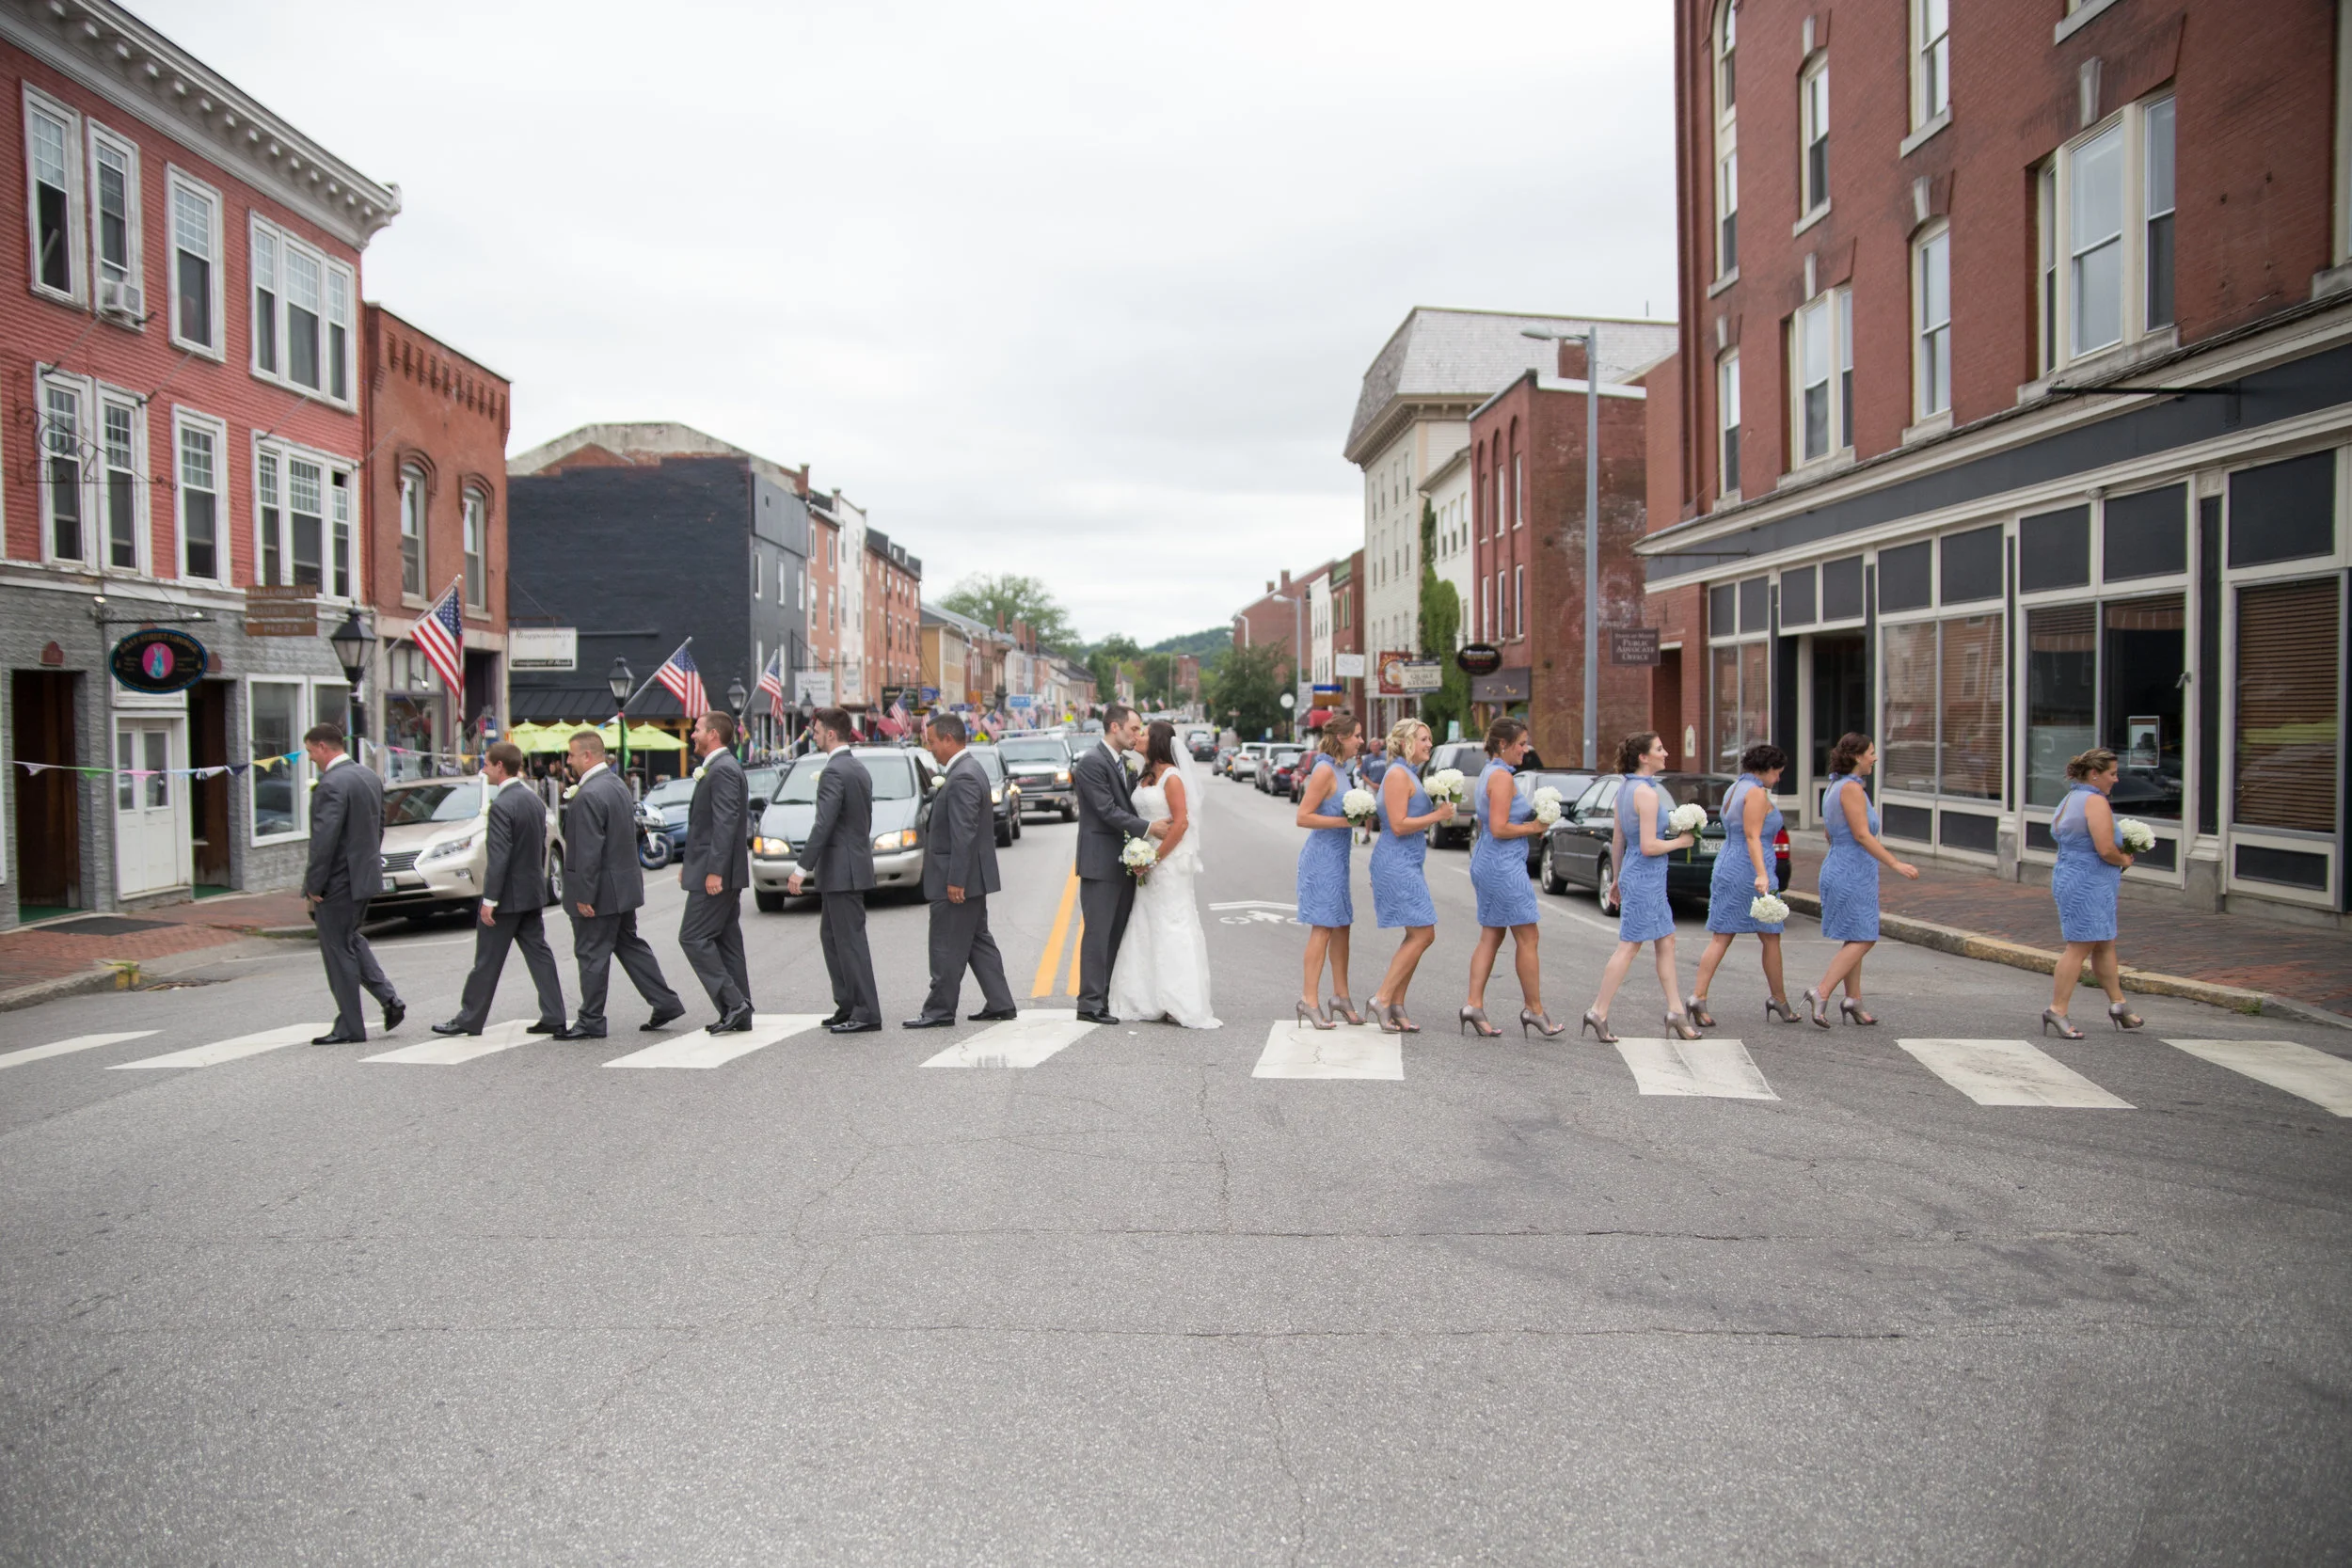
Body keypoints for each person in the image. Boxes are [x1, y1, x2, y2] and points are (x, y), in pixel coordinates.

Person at [554, 729, 686, 1039]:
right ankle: (665, 1001)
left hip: (599, 890)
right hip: (623, 886)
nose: (568, 761)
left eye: (572, 755)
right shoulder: (616, 785)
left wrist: (584, 894)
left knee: (591, 953)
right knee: (629, 946)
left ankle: (591, 1019)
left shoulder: (589, 794)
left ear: (588, 756)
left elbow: (588, 850)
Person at [432, 742, 567, 1038]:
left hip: (507, 897)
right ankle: (555, 1014)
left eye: (486, 764)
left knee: (487, 960)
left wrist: (489, 899)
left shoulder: (502, 805)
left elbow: (499, 856)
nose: (483, 769)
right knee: (539, 954)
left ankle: (470, 1018)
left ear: (499, 767)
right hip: (532, 892)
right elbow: (540, 844)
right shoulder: (533, 800)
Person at [1581, 732, 1701, 1042]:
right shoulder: (1645, 794)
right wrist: (1681, 842)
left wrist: (1618, 879)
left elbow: (1619, 839)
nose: (1666, 753)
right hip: (1646, 875)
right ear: (1644, 757)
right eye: (1659, 749)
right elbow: (1647, 846)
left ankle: (1676, 1011)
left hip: (1641, 875)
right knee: (1630, 945)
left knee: (1666, 940)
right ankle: (1598, 1010)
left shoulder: (1627, 788)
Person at [906, 713, 1018, 1027]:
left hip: (957, 880)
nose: (929, 748)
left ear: (948, 739)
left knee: (945, 944)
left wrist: (955, 880)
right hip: (970, 878)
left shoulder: (964, 775)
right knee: (977, 941)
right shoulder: (966, 770)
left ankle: (939, 1010)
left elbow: (964, 832)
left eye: (931, 742)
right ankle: (1000, 1002)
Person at [1108, 721, 1220, 1028]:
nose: (1138, 736)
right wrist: (1138, 853)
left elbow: (1181, 824)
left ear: (1156, 741)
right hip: (1145, 859)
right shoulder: (1144, 776)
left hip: (1167, 863)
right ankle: (1145, 997)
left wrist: (1155, 858)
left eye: (1143, 733)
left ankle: (1178, 1000)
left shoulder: (1172, 777)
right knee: (1146, 923)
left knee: (1173, 924)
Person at [1804, 733, 1919, 1027]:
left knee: (1855, 934)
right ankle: (1821, 992)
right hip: (1852, 870)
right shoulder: (1852, 789)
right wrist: (1895, 863)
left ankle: (1853, 999)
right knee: (1865, 937)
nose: (1875, 757)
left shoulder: (1834, 785)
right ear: (1857, 757)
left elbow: (1829, 834)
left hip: (1841, 864)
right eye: (1871, 752)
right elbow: (1861, 834)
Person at [300, 722, 405, 1044]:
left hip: (338, 880)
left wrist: (313, 885)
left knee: (337, 950)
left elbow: (324, 840)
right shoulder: (368, 777)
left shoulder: (331, 784)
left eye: (310, 752)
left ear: (322, 747)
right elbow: (380, 827)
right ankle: (389, 999)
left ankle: (350, 1025)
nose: (311, 758)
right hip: (364, 875)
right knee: (350, 940)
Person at [1073, 703, 1168, 1025]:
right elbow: (1107, 810)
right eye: (1133, 729)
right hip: (1099, 862)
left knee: (1116, 933)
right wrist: (1149, 828)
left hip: (1124, 862)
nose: (1137, 735)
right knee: (1097, 934)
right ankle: (1088, 1003)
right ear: (1114, 727)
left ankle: (1105, 996)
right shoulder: (1091, 763)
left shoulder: (1125, 764)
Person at [1463, 718, 1560, 1037]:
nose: (1526, 748)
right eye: (1520, 743)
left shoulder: (1490, 773)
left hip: (1489, 859)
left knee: (1491, 935)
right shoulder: (1502, 778)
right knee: (1528, 937)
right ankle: (1534, 1010)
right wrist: (1535, 827)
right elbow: (1500, 827)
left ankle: (1473, 1005)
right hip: (1503, 863)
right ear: (1503, 745)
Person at [1690, 743, 1799, 1026]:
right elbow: (1753, 836)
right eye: (1777, 773)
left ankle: (1697, 997)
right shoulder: (1756, 794)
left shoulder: (1734, 788)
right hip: (1749, 867)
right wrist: (1762, 874)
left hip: (1728, 862)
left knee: (1721, 936)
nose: (1778, 779)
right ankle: (1779, 999)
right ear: (1766, 769)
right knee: (1770, 935)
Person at [789, 707, 882, 1034]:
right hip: (850, 864)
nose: (813, 736)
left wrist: (802, 868)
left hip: (842, 869)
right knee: (832, 938)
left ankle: (866, 1011)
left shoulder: (834, 771)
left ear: (831, 734)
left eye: (816, 731)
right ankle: (846, 1004)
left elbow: (824, 823)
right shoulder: (858, 768)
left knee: (849, 941)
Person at [2042, 746, 2143, 1037]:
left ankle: (2119, 1004)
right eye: (2112, 774)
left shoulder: (2071, 798)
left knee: (2104, 942)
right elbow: (2105, 849)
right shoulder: (2094, 802)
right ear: (2095, 774)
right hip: (2088, 880)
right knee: (2079, 946)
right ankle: (2057, 1010)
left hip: (2075, 875)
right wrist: (2125, 858)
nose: (2116, 779)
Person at [1366, 718, 1454, 1033]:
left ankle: (1396, 1003)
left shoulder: (1408, 774)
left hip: (1409, 861)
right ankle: (1382, 997)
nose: (1429, 744)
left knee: (1417, 933)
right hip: (1395, 860)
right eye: (1423, 739)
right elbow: (1399, 824)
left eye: (1430, 739)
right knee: (1423, 933)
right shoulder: (1397, 775)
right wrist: (1438, 816)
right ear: (1406, 742)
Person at [677, 712, 755, 1034]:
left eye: (696, 729)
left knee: (693, 937)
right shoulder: (721, 768)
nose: (692, 734)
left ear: (713, 735)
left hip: (717, 874)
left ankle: (734, 1003)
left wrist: (714, 872)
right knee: (725, 941)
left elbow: (725, 824)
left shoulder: (721, 770)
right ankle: (740, 1010)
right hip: (715, 869)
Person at [1294, 711, 1364, 1028]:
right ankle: (1308, 1000)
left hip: (1339, 859)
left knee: (1342, 927)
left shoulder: (1341, 768)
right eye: (1357, 736)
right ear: (1341, 738)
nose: (1361, 742)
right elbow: (1303, 816)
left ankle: (1341, 995)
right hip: (1322, 858)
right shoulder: (1324, 770)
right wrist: (1345, 822)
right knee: (1322, 928)